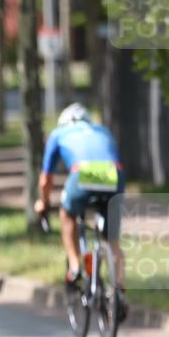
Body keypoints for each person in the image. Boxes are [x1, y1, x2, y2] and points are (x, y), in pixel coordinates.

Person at [34, 103, 127, 320]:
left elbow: (45, 179)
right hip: (114, 175)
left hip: (82, 174)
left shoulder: (58, 133)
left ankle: (75, 266)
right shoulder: (103, 130)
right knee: (112, 242)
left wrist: (43, 204)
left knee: (67, 214)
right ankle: (119, 292)